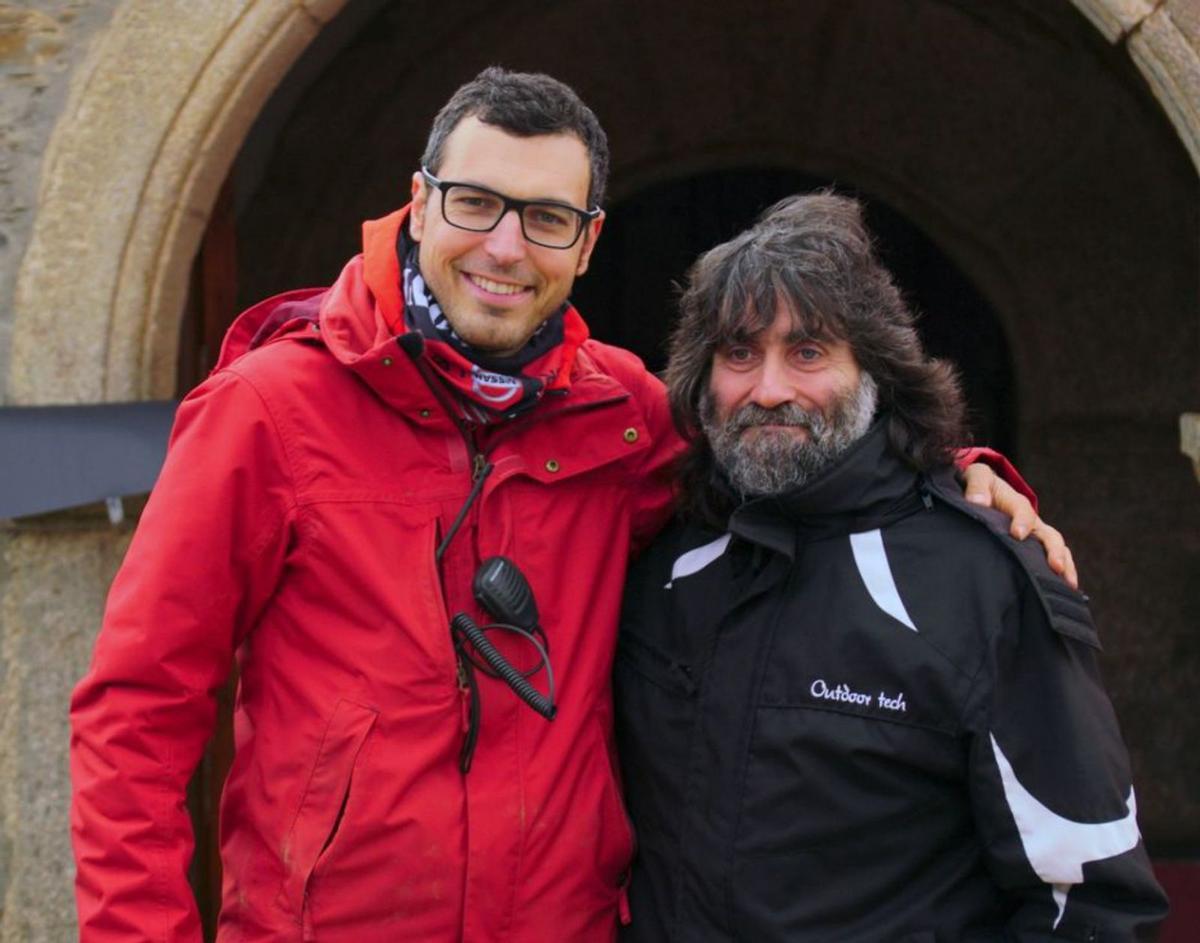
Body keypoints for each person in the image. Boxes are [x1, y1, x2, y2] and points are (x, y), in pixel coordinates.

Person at [70, 70, 1061, 942]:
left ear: (586, 245)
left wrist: (957, 470)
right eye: (475, 203)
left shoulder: (623, 411)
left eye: (546, 218)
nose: (506, 245)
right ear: (418, 206)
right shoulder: (267, 411)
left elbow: (786, 447)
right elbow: (136, 711)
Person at [614, 193, 1167, 942]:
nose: (769, 388)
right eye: (739, 353)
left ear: (874, 370)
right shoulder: (663, 559)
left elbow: (1092, 902)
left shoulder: (980, 580)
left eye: (808, 352)